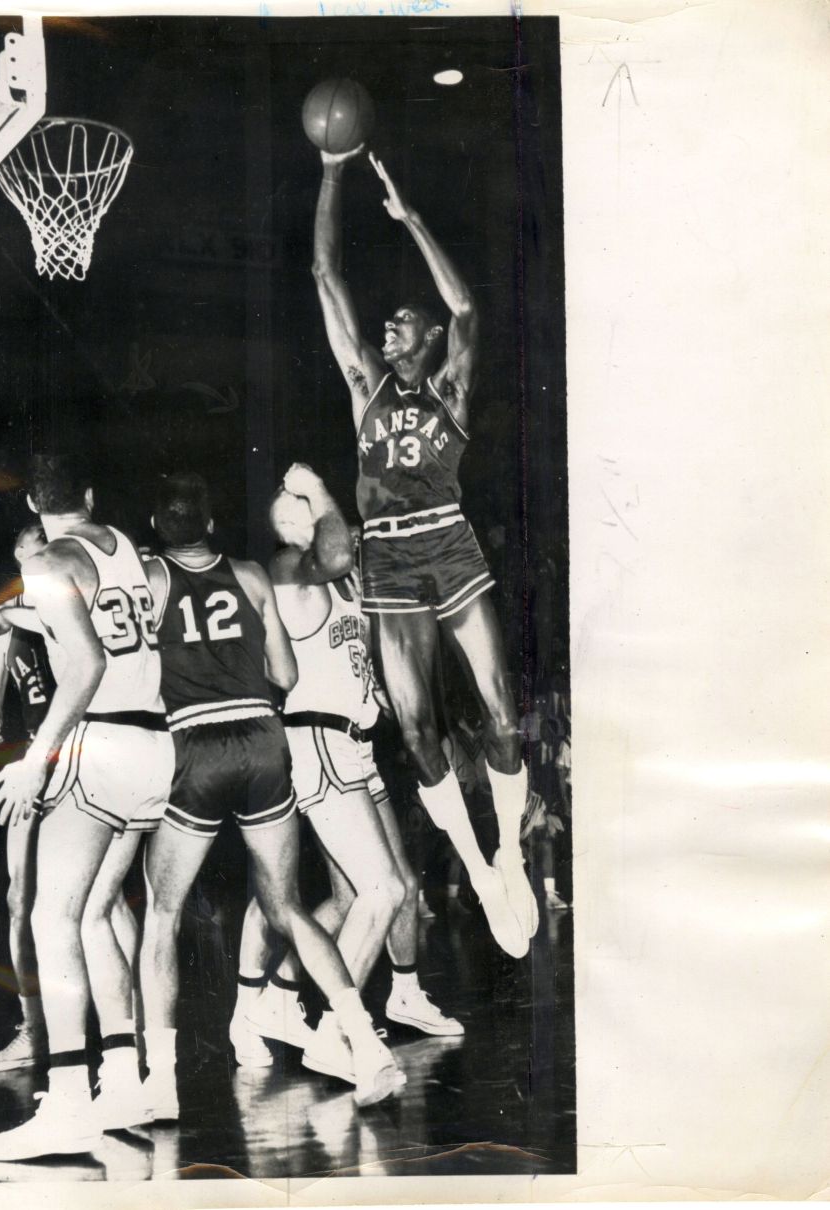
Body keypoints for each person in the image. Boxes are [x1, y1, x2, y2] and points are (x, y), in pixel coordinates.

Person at [310, 145, 537, 958]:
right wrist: (333, 170)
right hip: (389, 561)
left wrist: (409, 220)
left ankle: (508, 848)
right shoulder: (365, 387)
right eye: (388, 324)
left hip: (448, 542)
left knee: (503, 712)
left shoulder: (450, 388)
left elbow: (468, 308)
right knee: (414, 731)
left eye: (403, 321)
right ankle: (477, 868)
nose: (387, 327)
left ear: (430, 336)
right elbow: (325, 277)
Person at [136, 472, 404, 1115]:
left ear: (156, 528)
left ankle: (161, 1085)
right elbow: (285, 673)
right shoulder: (255, 575)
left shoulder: (149, 579)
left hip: (195, 744)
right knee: (287, 906)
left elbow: (137, 670)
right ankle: (365, 1047)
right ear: (211, 524)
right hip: (263, 739)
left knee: (163, 915)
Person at [0, 453, 175, 1162]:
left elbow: (84, 665)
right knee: (95, 915)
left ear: (32, 503)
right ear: (86, 493)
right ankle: (123, 1082)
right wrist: (11, 613)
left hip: (102, 741)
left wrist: (35, 758)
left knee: (53, 917)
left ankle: (70, 1101)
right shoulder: (123, 549)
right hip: (155, 744)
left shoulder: (49, 560)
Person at [232, 464, 463, 1085]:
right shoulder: (290, 567)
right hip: (318, 741)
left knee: (360, 896)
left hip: (353, 743)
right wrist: (319, 487)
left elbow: (354, 623)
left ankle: (276, 997)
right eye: (309, 507)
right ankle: (339, 1033)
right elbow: (336, 550)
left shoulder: (337, 581)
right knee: (383, 891)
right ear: (297, 522)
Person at [0, 524, 53, 1072]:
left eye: (40, 556)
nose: (33, 569)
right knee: (19, 900)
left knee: (102, 904)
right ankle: (33, 1029)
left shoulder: (77, 601)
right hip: (34, 763)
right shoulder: (11, 617)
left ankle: (133, 1036)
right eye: (24, 561)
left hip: (86, 755)